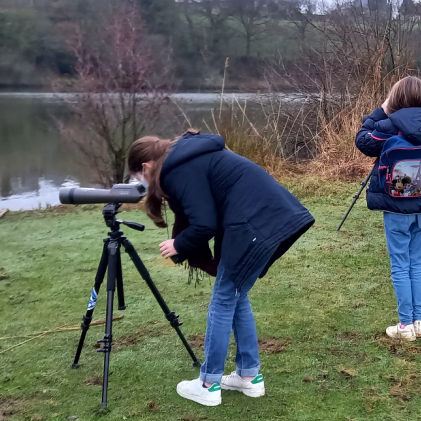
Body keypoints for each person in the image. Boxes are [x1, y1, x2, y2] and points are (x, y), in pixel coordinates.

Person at [127, 131, 314, 407]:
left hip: (254, 224)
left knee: (224, 299)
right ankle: (249, 376)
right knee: (236, 295)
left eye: (138, 177)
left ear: (146, 167)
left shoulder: (177, 170)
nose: (142, 184)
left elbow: (204, 224)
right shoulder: (188, 157)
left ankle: (208, 383)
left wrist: (179, 244)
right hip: (266, 217)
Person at [355, 76, 421, 341]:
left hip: (395, 204)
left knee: (400, 264)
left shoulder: (389, 125)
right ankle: (418, 321)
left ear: (396, 98)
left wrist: (380, 111)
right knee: (415, 261)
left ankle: (405, 325)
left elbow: (363, 141)